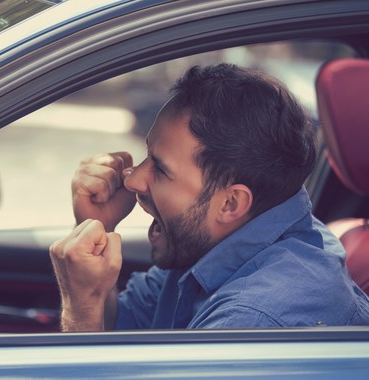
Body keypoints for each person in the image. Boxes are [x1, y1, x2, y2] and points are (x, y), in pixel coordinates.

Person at [49, 63, 369, 332]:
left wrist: (81, 307)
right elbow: (126, 324)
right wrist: (96, 228)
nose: (132, 179)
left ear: (231, 203)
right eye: (148, 154)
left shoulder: (255, 320)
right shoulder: (211, 240)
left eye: (160, 169)